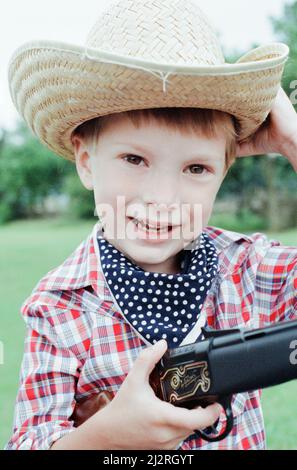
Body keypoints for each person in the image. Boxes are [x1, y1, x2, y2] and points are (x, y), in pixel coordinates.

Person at [5, 0, 297, 451]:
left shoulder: (248, 269)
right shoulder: (59, 308)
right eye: (135, 159)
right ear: (86, 161)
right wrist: (105, 437)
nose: (163, 199)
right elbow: (31, 440)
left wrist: (292, 139)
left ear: (224, 172)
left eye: (196, 168)